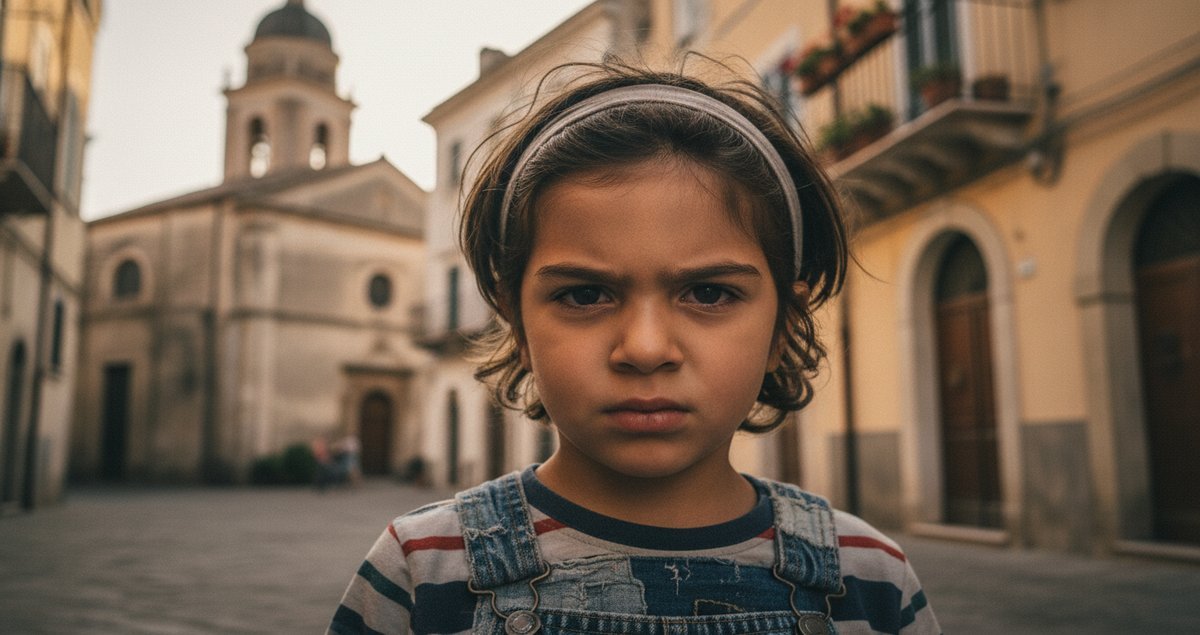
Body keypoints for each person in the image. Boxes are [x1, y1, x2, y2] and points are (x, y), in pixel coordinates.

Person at [329, 59, 940, 634]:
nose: (645, 348)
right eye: (586, 294)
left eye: (709, 292)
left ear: (784, 325)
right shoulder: (422, 570)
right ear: (516, 323)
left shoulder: (872, 578)